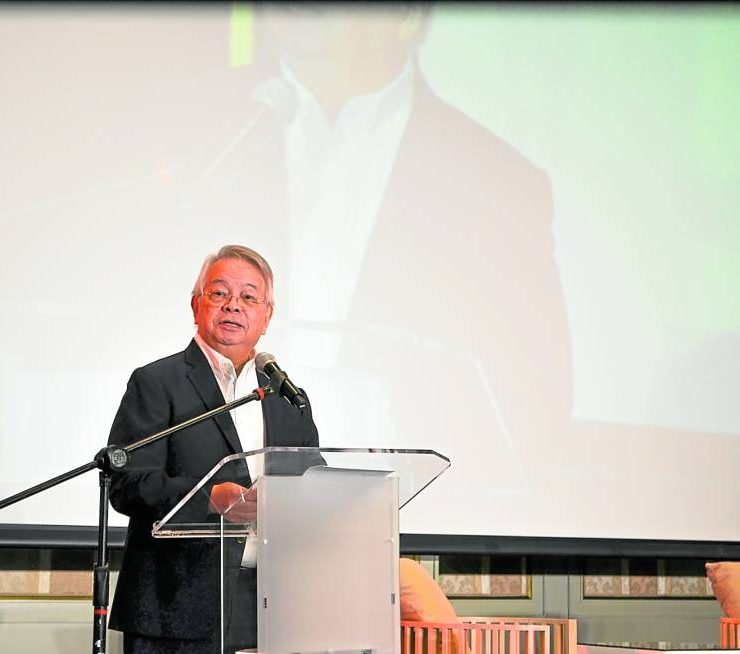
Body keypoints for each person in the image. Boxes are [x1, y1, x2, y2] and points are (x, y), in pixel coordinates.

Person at [107, 244, 320, 653]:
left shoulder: (287, 397)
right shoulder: (157, 382)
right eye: (219, 293)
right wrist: (210, 498)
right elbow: (128, 484)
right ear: (196, 305)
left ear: (267, 316)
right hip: (177, 605)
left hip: (275, 602)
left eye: (249, 297)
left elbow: (314, 483)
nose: (233, 306)